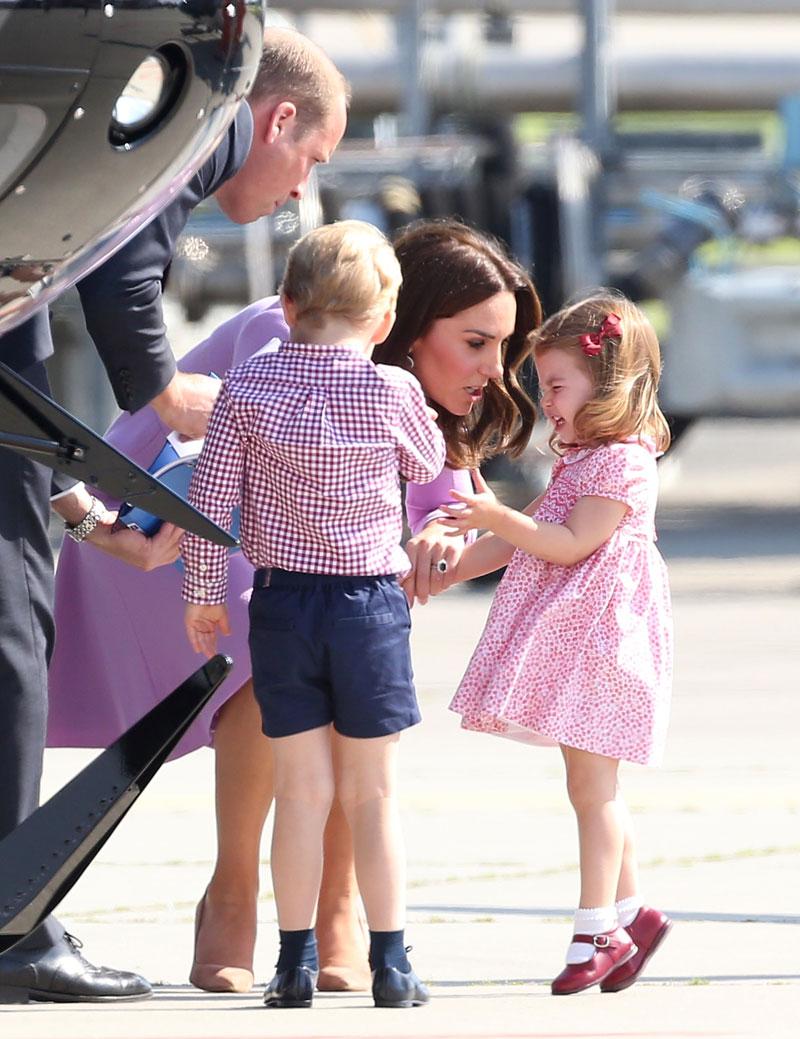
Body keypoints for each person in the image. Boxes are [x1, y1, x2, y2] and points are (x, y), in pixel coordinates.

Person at [47, 217, 543, 993]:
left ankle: (337, 901)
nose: (493, 367)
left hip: (319, 577)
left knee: (342, 673)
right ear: (402, 322)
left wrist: (446, 538)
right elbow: (176, 457)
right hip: (173, 541)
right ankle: (235, 890)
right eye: (476, 341)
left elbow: (445, 506)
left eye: (504, 347)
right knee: (264, 627)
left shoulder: (408, 390)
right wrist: (108, 525)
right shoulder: (277, 335)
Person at [0, 27, 349, 1004]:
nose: (297, 191)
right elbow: (122, 262)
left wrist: (70, 497)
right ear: (275, 118)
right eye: (309, 159)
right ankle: (12, 928)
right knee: (12, 631)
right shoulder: (185, 125)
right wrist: (167, 390)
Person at [182, 220, 444, 1009]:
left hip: (282, 600)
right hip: (368, 604)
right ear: (386, 320)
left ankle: (291, 962)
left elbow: (209, 498)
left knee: (299, 791)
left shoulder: (248, 389)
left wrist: (201, 592)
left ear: (287, 303)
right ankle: (390, 963)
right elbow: (427, 463)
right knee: (374, 793)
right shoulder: (390, 388)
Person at [443, 291, 674, 996]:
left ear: (606, 383)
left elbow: (568, 543)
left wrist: (497, 514)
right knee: (590, 784)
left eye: (557, 386)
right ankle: (632, 914)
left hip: (607, 640)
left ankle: (596, 928)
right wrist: (442, 571)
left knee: (592, 786)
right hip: (580, 639)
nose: (548, 402)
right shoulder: (582, 458)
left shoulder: (624, 463)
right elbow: (521, 539)